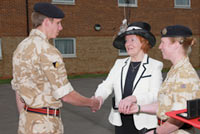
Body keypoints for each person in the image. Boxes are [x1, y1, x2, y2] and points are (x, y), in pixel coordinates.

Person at [11, 2, 99, 134]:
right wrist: (91, 103)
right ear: (47, 22)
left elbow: (18, 90)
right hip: (46, 125)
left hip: (26, 122)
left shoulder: (21, 48)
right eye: (58, 23)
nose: (61, 27)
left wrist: (29, 117)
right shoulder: (48, 51)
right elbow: (66, 95)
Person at [124, 25, 200, 134]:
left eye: (163, 42)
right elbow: (166, 106)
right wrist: (138, 108)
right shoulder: (175, 70)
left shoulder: (185, 75)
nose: (160, 47)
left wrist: (155, 132)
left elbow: (178, 117)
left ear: (176, 44)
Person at [94, 21, 163, 134]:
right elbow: (106, 85)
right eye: (126, 40)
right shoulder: (119, 63)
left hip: (144, 124)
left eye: (132, 40)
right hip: (121, 122)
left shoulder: (155, 66)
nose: (128, 44)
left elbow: (155, 94)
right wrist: (99, 97)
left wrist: (133, 98)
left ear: (143, 42)